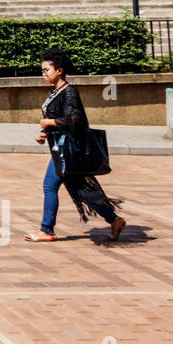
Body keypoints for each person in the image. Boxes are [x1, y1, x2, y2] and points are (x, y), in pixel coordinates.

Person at [25, 48, 127, 243]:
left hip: (69, 150)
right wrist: (45, 134)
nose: (43, 74)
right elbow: (60, 118)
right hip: (61, 149)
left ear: (59, 70)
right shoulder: (56, 91)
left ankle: (47, 230)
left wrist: (49, 123)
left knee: (49, 186)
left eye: (47, 70)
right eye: (42, 70)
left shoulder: (69, 92)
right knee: (82, 191)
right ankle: (115, 220)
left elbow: (76, 121)